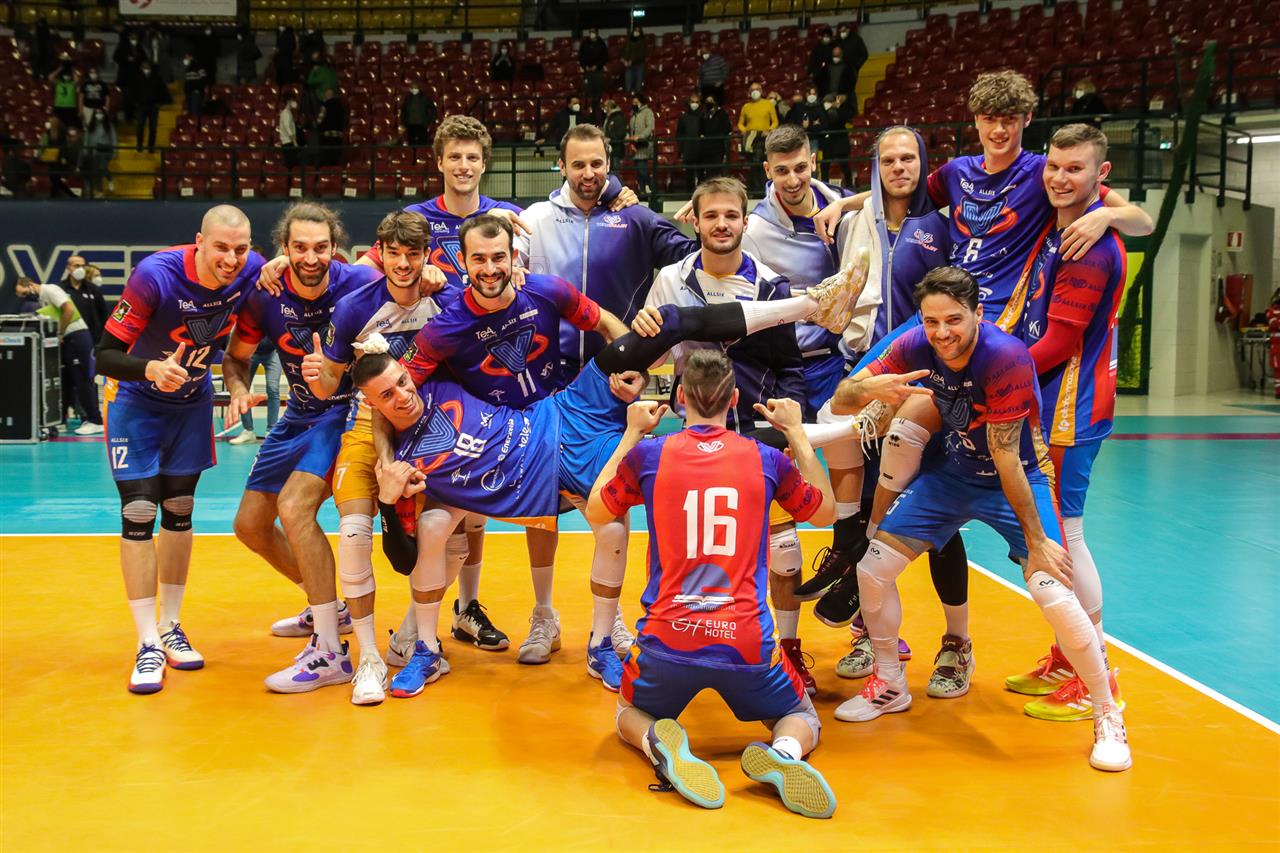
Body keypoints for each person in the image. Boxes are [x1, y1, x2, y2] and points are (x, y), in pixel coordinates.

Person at [355, 264, 865, 699]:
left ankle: (812, 306)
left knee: (664, 323)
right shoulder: (405, 463)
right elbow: (401, 556)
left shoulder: (436, 375)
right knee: (691, 462)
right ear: (372, 405)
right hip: (554, 466)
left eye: (402, 381)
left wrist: (634, 368)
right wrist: (389, 496)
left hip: (565, 408)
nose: (403, 394)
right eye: (388, 395)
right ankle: (429, 649)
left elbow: (438, 325)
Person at [827, 266, 1131, 773]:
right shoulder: (915, 344)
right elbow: (841, 398)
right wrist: (870, 390)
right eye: (931, 321)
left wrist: (1036, 541)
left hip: (1017, 479)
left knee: (1053, 590)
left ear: (977, 314)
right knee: (872, 569)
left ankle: (1106, 712)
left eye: (953, 320)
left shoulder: (1005, 356)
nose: (942, 332)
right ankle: (890, 684)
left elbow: (1006, 457)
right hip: (951, 477)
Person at [585, 351, 837, 817]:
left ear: (680, 397)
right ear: (735, 399)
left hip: (668, 639)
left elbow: (597, 509)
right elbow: (824, 513)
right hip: (745, 642)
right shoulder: (766, 460)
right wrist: (796, 432)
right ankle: (784, 754)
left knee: (628, 714)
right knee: (799, 716)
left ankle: (658, 744)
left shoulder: (649, 455)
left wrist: (631, 432)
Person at [400, 212, 630, 668]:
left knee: (610, 516)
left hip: (561, 419)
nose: (490, 269)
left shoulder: (547, 290)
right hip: (498, 435)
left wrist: (630, 369)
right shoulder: (446, 326)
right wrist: (390, 456)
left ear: (514, 257)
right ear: (463, 262)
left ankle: (599, 623)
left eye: (499, 257)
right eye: (479, 259)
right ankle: (426, 635)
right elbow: (400, 386)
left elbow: (607, 323)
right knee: (443, 526)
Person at [93, 206, 265, 694]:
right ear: (199, 242)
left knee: (180, 507)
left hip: (191, 403)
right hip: (136, 401)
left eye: (240, 249)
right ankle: (146, 642)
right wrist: (150, 369)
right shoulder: (155, 276)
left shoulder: (253, 269)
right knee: (139, 510)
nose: (231, 259)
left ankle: (170, 625)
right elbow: (103, 355)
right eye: (221, 247)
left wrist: (236, 386)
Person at [225, 203, 385, 700]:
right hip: (297, 413)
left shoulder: (360, 282)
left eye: (320, 247)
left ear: (335, 248)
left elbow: (411, 279)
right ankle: (328, 607)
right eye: (299, 248)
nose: (310, 258)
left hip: (344, 413)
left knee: (294, 508)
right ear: (284, 248)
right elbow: (235, 357)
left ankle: (331, 652)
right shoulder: (266, 293)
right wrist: (238, 390)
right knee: (250, 525)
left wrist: (434, 279)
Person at [298, 210, 451, 690]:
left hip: (430, 426)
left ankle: (412, 637)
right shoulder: (353, 308)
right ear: (379, 253)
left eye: (413, 254)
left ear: (427, 255)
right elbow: (329, 384)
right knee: (354, 532)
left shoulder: (446, 299)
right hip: (366, 423)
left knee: (453, 533)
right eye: (395, 254)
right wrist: (317, 374)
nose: (403, 264)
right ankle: (366, 658)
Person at [1005, 124, 1128, 720]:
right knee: (1057, 535)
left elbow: (1058, 340)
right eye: (1053, 166)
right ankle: (1067, 655)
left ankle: (1095, 674)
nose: (1058, 177)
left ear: (1100, 175)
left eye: (1074, 168)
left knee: (1067, 535)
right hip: (1050, 403)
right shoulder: (1061, 227)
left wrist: (992, 375)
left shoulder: (1090, 245)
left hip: (1071, 411)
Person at [523, 124, 693, 375]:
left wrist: (706, 214)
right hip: (549, 370)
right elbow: (500, 265)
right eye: (578, 165)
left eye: (596, 164)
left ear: (608, 164)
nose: (588, 174)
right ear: (562, 166)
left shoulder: (637, 219)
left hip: (619, 369)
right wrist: (495, 215)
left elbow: (695, 260)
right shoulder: (535, 218)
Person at [16, 276, 104, 435]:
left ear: (30, 284)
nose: (25, 297)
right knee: (67, 381)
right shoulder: (42, 300)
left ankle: (95, 420)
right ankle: (60, 420)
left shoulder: (51, 289)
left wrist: (59, 333)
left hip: (77, 337)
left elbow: (68, 309)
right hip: (68, 340)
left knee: (82, 380)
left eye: (24, 293)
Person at [228, 338, 281, 445]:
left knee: (273, 389)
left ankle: (271, 431)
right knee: (243, 390)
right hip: (250, 352)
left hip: (273, 353)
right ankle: (248, 431)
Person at [737, 83, 778, 193]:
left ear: (761, 91)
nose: (755, 91)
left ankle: (764, 189)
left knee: (763, 163)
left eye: (757, 89)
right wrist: (745, 131)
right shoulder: (746, 107)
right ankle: (755, 190)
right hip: (751, 138)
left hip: (764, 137)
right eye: (752, 89)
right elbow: (740, 123)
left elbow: (775, 121)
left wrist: (769, 130)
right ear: (749, 92)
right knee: (753, 165)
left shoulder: (768, 104)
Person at [132, 61, 169, 154]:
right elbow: (133, 91)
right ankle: (139, 145)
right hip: (141, 106)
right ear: (141, 68)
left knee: (153, 127)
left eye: (148, 68)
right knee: (140, 126)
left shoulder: (156, 78)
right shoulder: (137, 78)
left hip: (153, 106)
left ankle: (151, 147)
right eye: (144, 68)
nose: (146, 69)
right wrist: (136, 103)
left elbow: (163, 90)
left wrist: (160, 103)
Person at [698, 96, 732, 184]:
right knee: (708, 171)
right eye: (707, 101)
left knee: (717, 170)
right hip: (706, 147)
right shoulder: (703, 115)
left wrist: (719, 136)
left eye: (711, 101)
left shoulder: (722, 114)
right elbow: (700, 130)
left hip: (718, 146)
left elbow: (728, 128)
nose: (709, 103)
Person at [626, 93, 655, 196]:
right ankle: (642, 191)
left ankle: (651, 188)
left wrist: (640, 137)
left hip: (644, 144)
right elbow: (631, 129)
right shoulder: (633, 114)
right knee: (638, 170)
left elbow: (650, 127)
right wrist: (631, 140)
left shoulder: (648, 112)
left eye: (636, 102)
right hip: (635, 145)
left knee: (642, 168)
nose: (634, 104)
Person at [81, 109, 116, 194]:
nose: (99, 114)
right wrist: (85, 149)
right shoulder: (90, 125)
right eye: (97, 113)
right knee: (96, 171)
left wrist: (115, 151)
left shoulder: (109, 125)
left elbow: (114, 138)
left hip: (105, 150)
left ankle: (110, 180)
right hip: (93, 151)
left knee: (102, 167)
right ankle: (99, 190)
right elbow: (86, 138)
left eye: (100, 113)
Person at [579, 29, 608, 114]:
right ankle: (588, 108)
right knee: (587, 89)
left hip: (597, 71)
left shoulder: (601, 44)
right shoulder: (585, 43)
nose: (592, 34)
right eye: (590, 32)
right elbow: (581, 56)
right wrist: (585, 66)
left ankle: (597, 108)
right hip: (587, 71)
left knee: (597, 89)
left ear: (597, 33)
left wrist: (597, 66)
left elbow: (605, 57)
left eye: (593, 32)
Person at [676, 97, 702, 192]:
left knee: (701, 175)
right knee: (689, 175)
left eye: (696, 102)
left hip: (701, 150)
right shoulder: (683, 118)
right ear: (689, 103)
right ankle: (689, 194)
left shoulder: (703, 116)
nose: (694, 104)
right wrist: (681, 149)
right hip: (687, 150)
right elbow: (679, 135)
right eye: (692, 102)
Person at [401, 81, 437, 147]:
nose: (414, 89)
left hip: (422, 125)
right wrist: (404, 121)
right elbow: (403, 111)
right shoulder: (407, 98)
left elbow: (433, 109)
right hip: (410, 125)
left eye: (415, 88)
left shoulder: (425, 98)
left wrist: (429, 121)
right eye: (412, 88)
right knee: (411, 145)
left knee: (422, 144)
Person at [317, 88, 345, 167]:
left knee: (326, 160)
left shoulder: (325, 106)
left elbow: (319, 121)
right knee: (335, 160)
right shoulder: (340, 106)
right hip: (338, 137)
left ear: (326, 95)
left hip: (327, 137)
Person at [807, 28, 835, 94]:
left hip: (831, 76)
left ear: (831, 38)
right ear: (821, 37)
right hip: (819, 76)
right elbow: (812, 61)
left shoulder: (834, 47)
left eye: (828, 37)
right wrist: (811, 72)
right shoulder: (817, 48)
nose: (826, 38)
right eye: (824, 36)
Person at [182, 53, 207, 118]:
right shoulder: (187, 69)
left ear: (191, 57)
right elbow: (188, 81)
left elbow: (203, 79)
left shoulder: (198, 66)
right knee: (190, 112)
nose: (185, 59)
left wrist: (197, 89)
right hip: (189, 93)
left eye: (187, 57)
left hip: (196, 93)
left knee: (195, 112)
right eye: (185, 57)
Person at [278, 97, 299, 170]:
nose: (295, 103)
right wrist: (294, 141)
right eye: (293, 101)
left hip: (289, 142)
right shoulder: (286, 113)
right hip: (288, 142)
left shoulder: (288, 112)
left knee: (292, 164)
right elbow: (287, 128)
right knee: (290, 164)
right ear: (288, 102)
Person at [623, 27, 646, 94]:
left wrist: (632, 61)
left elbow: (641, 54)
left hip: (639, 65)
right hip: (628, 65)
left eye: (638, 31)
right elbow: (622, 52)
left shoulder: (643, 42)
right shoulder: (627, 41)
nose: (636, 32)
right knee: (628, 86)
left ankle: (637, 98)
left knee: (638, 86)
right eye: (635, 31)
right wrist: (624, 60)